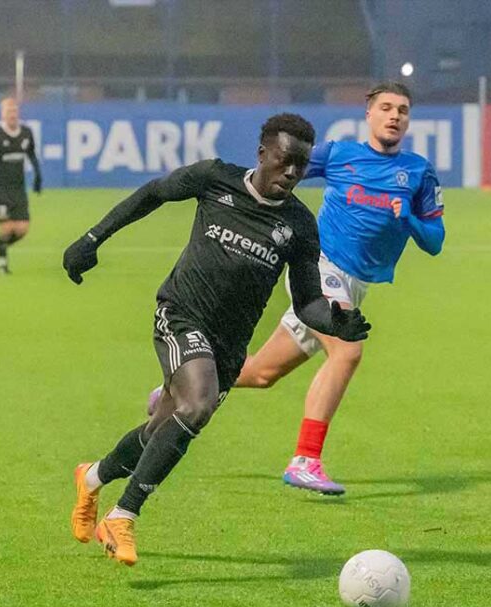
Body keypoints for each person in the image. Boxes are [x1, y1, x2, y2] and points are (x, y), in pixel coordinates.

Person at [63, 113, 370, 566]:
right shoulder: (214, 179)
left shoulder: (300, 226)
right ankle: (123, 514)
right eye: (285, 161)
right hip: (181, 315)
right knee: (197, 405)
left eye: (301, 166)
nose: (291, 173)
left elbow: (308, 303)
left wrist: (334, 321)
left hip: (228, 348)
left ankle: (92, 478)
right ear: (263, 153)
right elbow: (153, 193)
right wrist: (92, 238)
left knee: (159, 432)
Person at [151, 82, 445, 496]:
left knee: (261, 373)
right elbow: (284, 166)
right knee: (347, 352)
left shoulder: (418, 172)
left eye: (402, 110)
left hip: (355, 285)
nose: (394, 116)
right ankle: (306, 460)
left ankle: (173, 391)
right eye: (386, 108)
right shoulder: (342, 155)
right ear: (370, 114)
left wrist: (409, 220)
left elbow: (435, 240)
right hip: (320, 269)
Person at [0, 97, 42, 274]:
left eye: (14, 111)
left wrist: (38, 176)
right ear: (2, 114)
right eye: (8, 112)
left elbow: (31, 153)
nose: (12, 114)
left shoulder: (26, 133)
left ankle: (1, 245)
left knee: (22, 229)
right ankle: (2, 263)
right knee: (7, 227)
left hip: (18, 189)